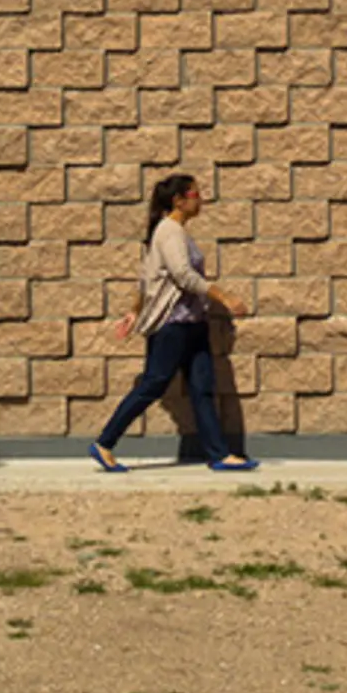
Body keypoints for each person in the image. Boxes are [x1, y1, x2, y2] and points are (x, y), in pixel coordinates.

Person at [89, 173, 259, 473]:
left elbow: (147, 276)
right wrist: (225, 297)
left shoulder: (175, 232)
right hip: (173, 326)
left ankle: (220, 455)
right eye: (195, 195)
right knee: (153, 384)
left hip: (193, 324)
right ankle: (104, 443)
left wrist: (134, 311)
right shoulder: (169, 232)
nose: (201, 199)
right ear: (178, 200)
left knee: (202, 388)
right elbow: (183, 275)